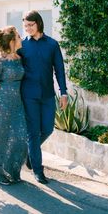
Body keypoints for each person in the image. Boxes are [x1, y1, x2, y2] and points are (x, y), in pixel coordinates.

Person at [18, 10, 68, 184]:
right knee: (33, 133)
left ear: (38, 23)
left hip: (47, 94)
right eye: (25, 26)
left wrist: (63, 92)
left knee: (47, 129)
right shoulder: (22, 46)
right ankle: (38, 171)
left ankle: (31, 154)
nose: (28, 28)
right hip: (28, 95)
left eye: (30, 25)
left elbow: (59, 71)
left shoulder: (52, 45)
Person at [0, 26, 27, 186]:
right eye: (18, 36)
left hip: (17, 103)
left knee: (21, 138)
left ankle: (11, 169)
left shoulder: (19, 58)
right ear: (11, 41)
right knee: (1, 138)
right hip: (2, 103)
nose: (21, 38)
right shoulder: (0, 62)